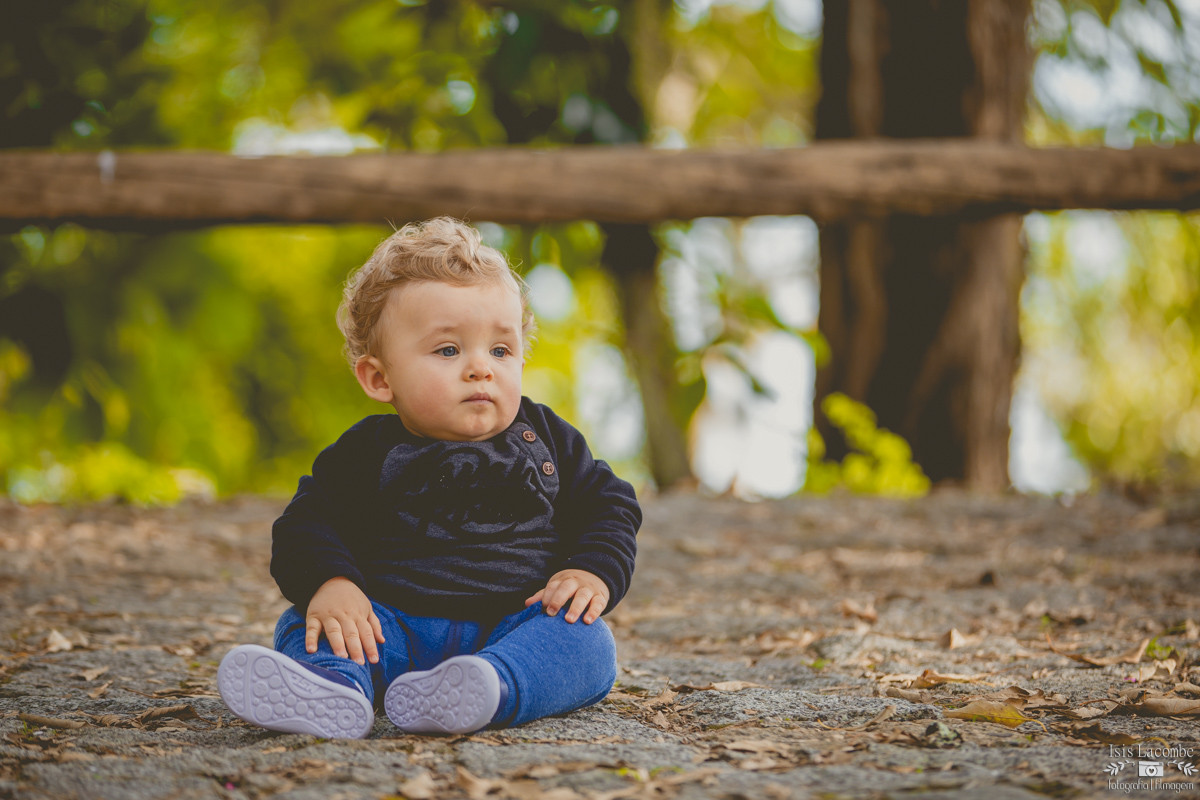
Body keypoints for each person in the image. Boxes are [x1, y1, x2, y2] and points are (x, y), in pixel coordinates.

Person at [217, 218, 641, 738]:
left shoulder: (548, 437)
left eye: (501, 350)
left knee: (587, 643)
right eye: (448, 350)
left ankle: (491, 686)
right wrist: (333, 584)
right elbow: (307, 524)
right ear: (379, 377)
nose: (480, 368)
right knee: (311, 622)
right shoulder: (365, 453)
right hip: (388, 630)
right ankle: (332, 687)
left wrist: (590, 572)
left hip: (514, 627)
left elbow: (610, 505)